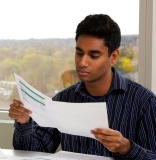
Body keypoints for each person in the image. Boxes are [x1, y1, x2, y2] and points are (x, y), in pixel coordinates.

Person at [9, 14, 156, 159]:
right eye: (79, 53)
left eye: (94, 55)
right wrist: (24, 122)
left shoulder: (144, 102)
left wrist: (126, 147)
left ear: (114, 57)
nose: (82, 62)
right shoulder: (63, 99)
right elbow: (35, 152)